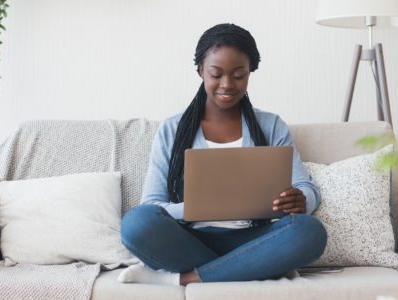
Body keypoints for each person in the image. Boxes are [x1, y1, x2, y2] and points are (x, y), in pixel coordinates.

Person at [117, 23, 328, 286]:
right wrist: (196, 207)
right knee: (136, 224)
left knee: (309, 232)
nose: (227, 84)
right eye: (216, 74)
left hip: (254, 238)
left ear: (250, 73)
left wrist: (300, 199)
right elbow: (152, 206)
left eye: (238, 74)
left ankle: (186, 278)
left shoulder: (271, 125)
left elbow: (306, 188)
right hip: (189, 240)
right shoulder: (172, 129)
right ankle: (253, 267)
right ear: (200, 71)